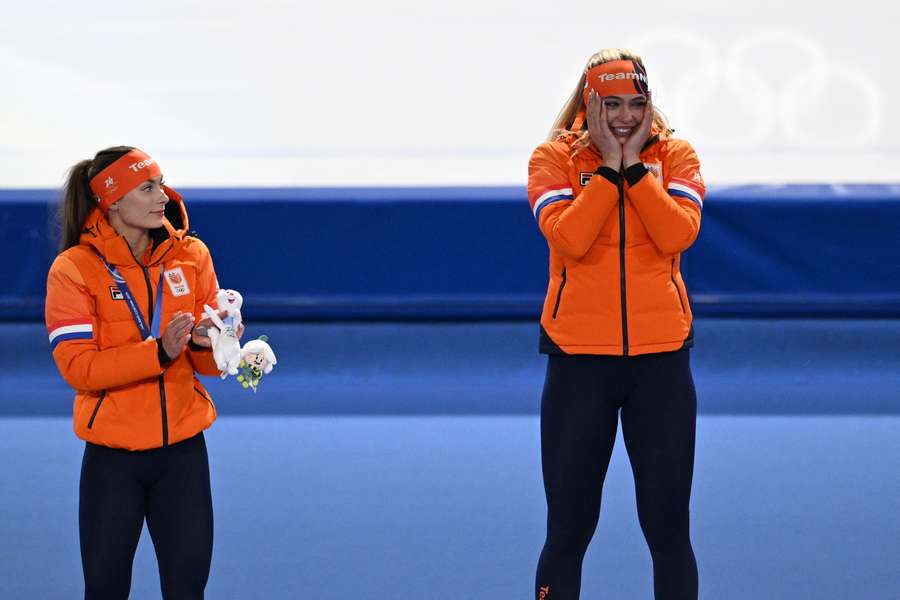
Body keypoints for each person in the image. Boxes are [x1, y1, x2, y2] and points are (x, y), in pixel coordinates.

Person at [528, 49, 706, 599]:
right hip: (579, 366)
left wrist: (634, 170)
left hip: (661, 365)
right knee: (567, 531)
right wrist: (607, 168)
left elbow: (678, 235)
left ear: (649, 103)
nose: (624, 116)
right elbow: (570, 240)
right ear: (589, 102)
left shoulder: (677, 155)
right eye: (611, 103)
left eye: (635, 103)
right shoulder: (553, 159)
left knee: (669, 530)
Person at [45, 146, 240, 599]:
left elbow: (205, 365)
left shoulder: (191, 255)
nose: (163, 196)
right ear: (112, 200)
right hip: (114, 459)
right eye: (147, 188)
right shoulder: (73, 269)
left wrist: (213, 343)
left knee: (188, 590)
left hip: (183, 456)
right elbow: (79, 368)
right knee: (106, 590)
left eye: (160, 183)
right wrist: (158, 352)